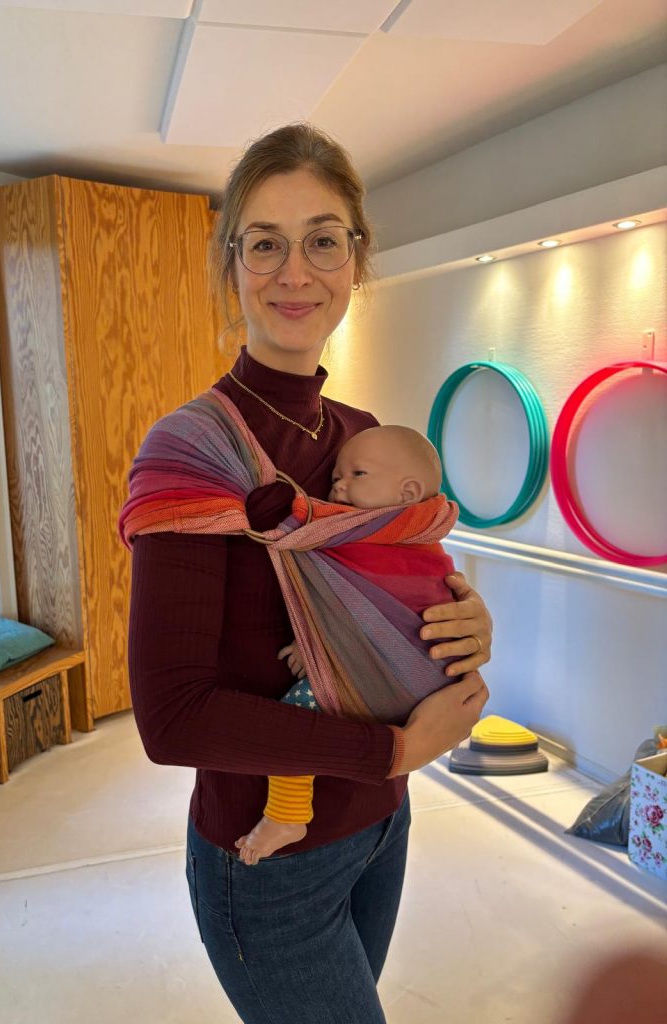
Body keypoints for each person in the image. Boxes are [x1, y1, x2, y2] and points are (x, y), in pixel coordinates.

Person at [125, 123, 491, 1024]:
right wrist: (393, 750)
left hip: (383, 825)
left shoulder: (363, 436)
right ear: (231, 264)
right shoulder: (192, 451)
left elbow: (398, 584)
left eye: (323, 240)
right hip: (269, 865)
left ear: (356, 260)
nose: (296, 272)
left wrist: (465, 619)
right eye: (265, 244)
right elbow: (171, 719)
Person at [235, 424, 461, 865]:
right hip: (417, 682)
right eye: (336, 476)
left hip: (408, 672)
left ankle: (286, 814)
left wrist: (322, 653)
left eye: (357, 474)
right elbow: (340, 599)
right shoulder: (401, 533)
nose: (338, 485)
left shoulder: (389, 541)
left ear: (408, 492)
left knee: (293, 720)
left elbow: (388, 610)